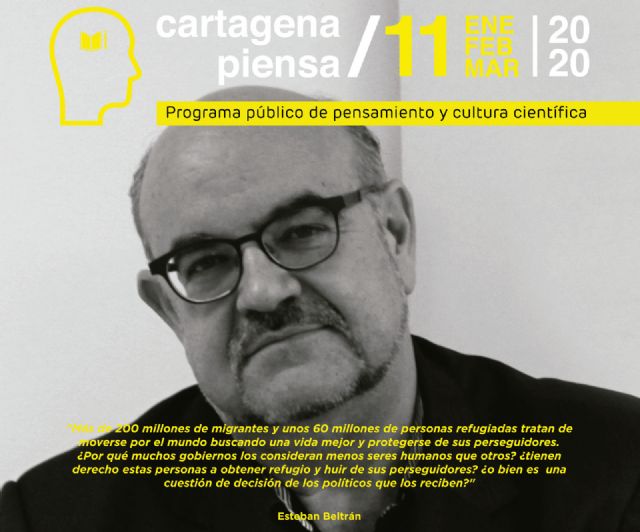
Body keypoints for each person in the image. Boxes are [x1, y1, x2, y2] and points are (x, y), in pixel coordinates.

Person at [2, 86, 639, 531]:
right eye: (206, 262)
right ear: (171, 310)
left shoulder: (617, 471)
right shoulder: (52, 518)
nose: (263, 292)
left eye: (303, 231)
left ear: (395, 235)